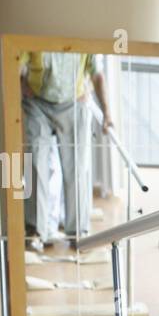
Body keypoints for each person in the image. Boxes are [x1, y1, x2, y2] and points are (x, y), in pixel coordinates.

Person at [21, 50, 112, 244]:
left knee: (77, 169)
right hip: (38, 102)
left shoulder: (81, 37)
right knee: (35, 163)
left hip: (74, 102)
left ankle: (77, 232)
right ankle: (36, 231)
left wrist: (107, 113)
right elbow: (14, 62)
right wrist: (21, 84)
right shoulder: (35, 35)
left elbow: (97, 75)